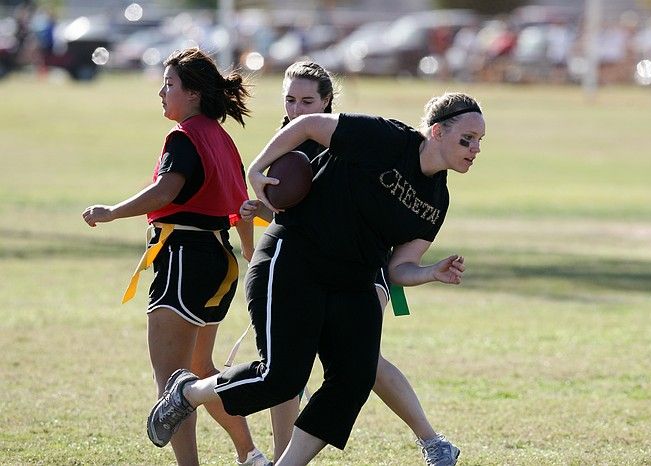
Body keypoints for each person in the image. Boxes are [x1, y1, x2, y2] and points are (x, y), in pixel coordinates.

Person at [147, 90, 485, 466]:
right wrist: (258, 169)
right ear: (437, 132)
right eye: (467, 139)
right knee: (282, 379)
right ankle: (188, 393)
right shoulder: (387, 139)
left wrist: (429, 273)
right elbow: (308, 124)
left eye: (479, 142)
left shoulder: (438, 198)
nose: (475, 149)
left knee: (353, 380)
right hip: (295, 258)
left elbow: (398, 268)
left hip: (354, 280)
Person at [239, 60, 460, 465]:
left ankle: (432, 439)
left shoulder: (343, 135)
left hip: (363, 267)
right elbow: (302, 216)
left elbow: (362, 209)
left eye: (308, 100)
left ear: (327, 101)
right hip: (309, 261)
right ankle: (282, 454)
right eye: (290, 100)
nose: (298, 109)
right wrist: (262, 213)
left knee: (361, 362)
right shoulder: (285, 146)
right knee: (292, 365)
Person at [82, 48, 270, 466]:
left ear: (194, 94)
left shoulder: (183, 137)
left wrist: (111, 212)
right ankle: (251, 454)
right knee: (201, 371)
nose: (162, 93)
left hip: (184, 258)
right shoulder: (222, 138)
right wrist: (250, 253)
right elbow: (241, 207)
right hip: (220, 261)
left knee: (173, 385)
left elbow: (166, 191)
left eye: (169, 85)